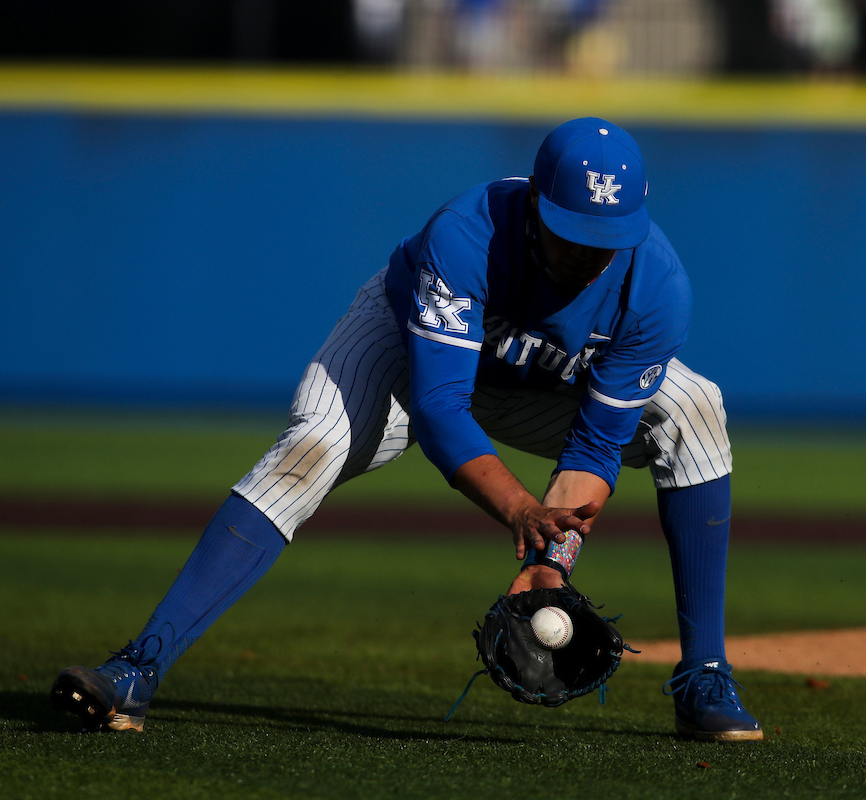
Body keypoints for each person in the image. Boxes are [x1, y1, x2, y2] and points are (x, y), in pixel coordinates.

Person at [51, 117, 763, 742]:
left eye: (607, 238)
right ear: (534, 208)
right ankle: (137, 669)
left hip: (535, 389)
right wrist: (517, 507)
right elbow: (440, 406)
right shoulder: (467, 235)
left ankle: (704, 675)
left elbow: (596, 444)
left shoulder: (657, 288)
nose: (588, 253)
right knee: (312, 447)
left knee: (695, 411)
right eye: (573, 233)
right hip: (406, 354)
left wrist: (551, 561)